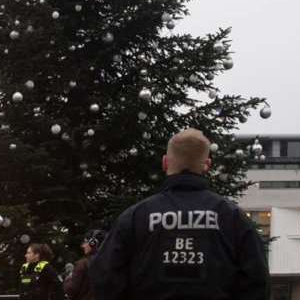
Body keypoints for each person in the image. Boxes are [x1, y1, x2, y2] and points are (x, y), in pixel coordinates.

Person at [91, 128, 270, 300]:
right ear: (207, 165)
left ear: (165, 162)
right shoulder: (232, 218)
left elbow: (105, 278)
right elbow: (257, 282)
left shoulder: (136, 216)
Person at [63, 230, 105, 300]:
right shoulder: (111, 263)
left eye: (85, 242)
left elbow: (70, 289)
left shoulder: (83, 264)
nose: (83, 246)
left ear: (93, 243)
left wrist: (68, 278)